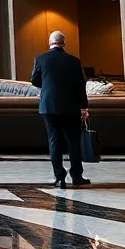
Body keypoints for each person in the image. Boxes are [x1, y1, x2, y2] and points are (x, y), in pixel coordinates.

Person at [31, 30, 90, 188]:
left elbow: (34, 80)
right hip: (71, 107)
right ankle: (77, 176)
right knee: (74, 141)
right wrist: (84, 107)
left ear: (50, 42)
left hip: (49, 107)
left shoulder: (40, 59)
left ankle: (59, 177)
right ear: (64, 43)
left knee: (54, 141)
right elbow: (80, 85)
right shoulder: (74, 61)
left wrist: (49, 85)